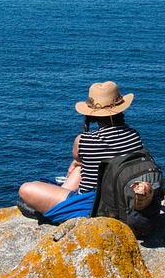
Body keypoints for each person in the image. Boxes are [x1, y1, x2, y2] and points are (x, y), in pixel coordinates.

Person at [18, 80, 153, 223]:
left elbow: (78, 157)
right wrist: (77, 165)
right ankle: (62, 196)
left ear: (91, 114)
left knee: (25, 189)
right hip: (122, 197)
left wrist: (76, 163)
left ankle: (61, 208)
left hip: (94, 205)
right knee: (79, 168)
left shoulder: (83, 140)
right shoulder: (134, 135)